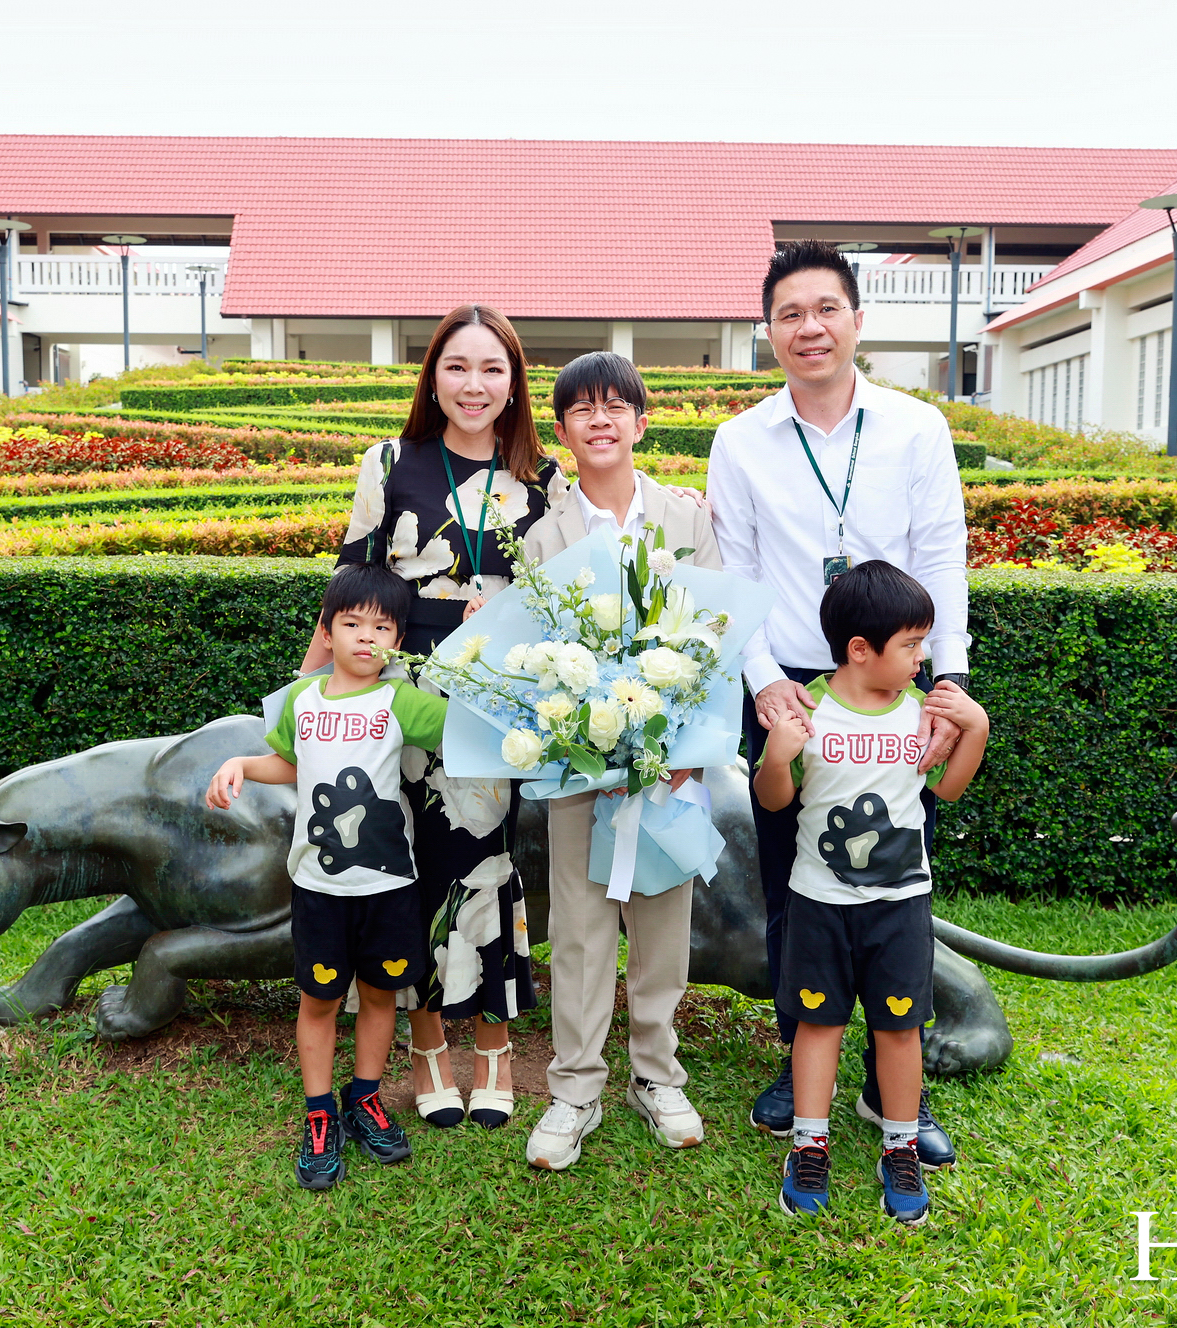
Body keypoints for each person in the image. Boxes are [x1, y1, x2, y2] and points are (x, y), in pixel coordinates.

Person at [708, 240, 971, 1166]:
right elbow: (734, 574)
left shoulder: (915, 428)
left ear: (857, 319)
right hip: (791, 686)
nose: (809, 328)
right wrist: (764, 684)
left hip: (898, 686)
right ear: (768, 331)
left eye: (826, 309)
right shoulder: (741, 440)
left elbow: (942, 556)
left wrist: (949, 679)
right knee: (792, 885)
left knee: (900, 878)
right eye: (790, 314)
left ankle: (893, 1083)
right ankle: (799, 1061)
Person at [320, 305, 566, 1130]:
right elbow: (347, 588)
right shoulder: (390, 463)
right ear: (433, 377)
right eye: (457, 366)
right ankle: (427, 1047)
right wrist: (309, 696)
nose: (474, 384)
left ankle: (493, 1046)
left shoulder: (543, 477)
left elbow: (565, 601)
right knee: (406, 872)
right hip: (396, 699)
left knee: (485, 864)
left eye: (492, 368)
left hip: (493, 703)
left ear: (514, 383)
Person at [517, 351, 723, 1170]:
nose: (599, 420)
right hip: (580, 765)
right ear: (562, 431)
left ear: (641, 422)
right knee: (578, 928)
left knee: (663, 925)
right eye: (582, 409)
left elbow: (713, 636)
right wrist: (582, 736)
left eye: (615, 407)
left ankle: (656, 1075)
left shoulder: (686, 519)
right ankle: (574, 1088)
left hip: (669, 762)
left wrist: (686, 753)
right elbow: (534, 651)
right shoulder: (545, 536)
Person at [751, 560, 989, 1222]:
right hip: (819, 905)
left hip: (900, 908)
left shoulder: (921, 713)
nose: (923, 658)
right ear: (861, 649)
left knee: (901, 1029)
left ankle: (900, 1147)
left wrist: (976, 729)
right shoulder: (808, 708)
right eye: (912, 644)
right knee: (818, 1024)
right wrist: (777, 757)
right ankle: (809, 1146)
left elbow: (948, 790)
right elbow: (774, 801)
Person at [206, 565, 448, 1191]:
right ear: (328, 632)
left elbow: (466, 727)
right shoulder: (302, 700)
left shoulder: (401, 702)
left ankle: (364, 1097)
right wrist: (240, 764)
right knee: (318, 1001)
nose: (367, 637)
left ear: (398, 640)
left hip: (388, 886)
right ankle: (320, 1114)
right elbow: (290, 763)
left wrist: (482, 644)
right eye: (352, 624)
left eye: (383, 628)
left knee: (380, 994)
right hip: (319, 887)